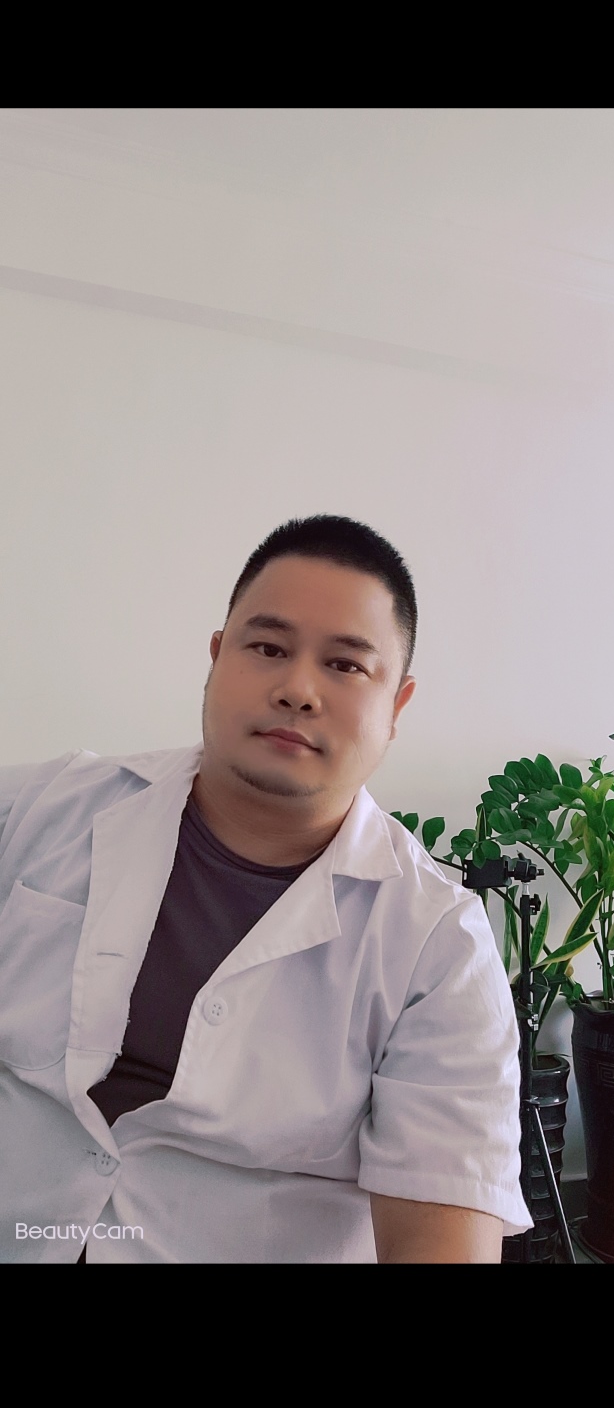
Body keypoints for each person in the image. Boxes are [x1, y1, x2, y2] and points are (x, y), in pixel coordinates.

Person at [0, 514, 532, 1263]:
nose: (297, 690)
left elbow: (439, 1237)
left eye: (345, 665)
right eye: (269, 649)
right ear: (217, 657)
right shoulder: (42, 808)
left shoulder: (437, 948)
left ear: (396, 707)